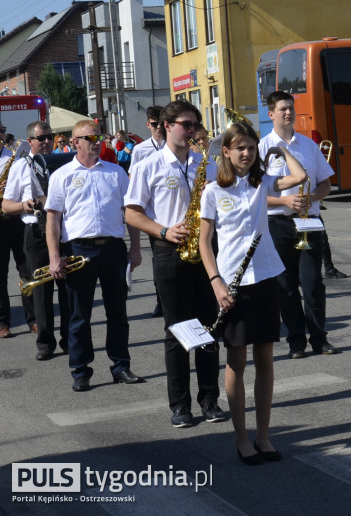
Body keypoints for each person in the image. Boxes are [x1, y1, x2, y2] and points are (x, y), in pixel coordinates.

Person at [200, 122, 307, 465]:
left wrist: (282, 151)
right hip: (231, 283)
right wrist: (216, 281)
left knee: (265, 361)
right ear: (226, 153)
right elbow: (204, 241)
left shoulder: (263, 182)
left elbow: (301, 177)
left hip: (265, 277)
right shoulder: (214, 190)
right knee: (237, 361)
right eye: (240, 148)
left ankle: (263, 435)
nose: (246, 153)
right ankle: (242, 437)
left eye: (251, 147)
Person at [125, 101, 228, 429]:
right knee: (177, 330)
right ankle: (180, 405)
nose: (192, 130)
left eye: (195, 125)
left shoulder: (206, 163)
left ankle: (209, 398)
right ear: (167, 126)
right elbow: (132, 212)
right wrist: (164, 231)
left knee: (209, 328)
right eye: (186, 124)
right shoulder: (149, 164)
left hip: (205, 250)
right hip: (170, 250)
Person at [46, 120, 144, 392]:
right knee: (79, 315)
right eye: (90, 138)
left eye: (99, 137)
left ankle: (121, 366)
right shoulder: (61, 175)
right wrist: (55, 257)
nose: (97, 141)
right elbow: (53, 220)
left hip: (113, 248)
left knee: (118, 312)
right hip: (78, 250)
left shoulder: (116, 173)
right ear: (76, 142)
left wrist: (135, 248)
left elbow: (131, 214)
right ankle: (80, 370)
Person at [259, 91, 337, 359]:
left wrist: (313, 197)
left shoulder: (308, 145)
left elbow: (326, 182)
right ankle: (295, 341)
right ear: (271, 114)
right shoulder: (262, 148)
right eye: (282, 109)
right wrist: (284, 202)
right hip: (278, 222)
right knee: (285, 284)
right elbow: (253, 194)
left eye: (291, 108)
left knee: (313, 282)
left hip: (310, 221)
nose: (288, 113)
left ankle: (319, 338)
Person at [2, 121, 66, 358]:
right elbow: (6, 204)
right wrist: (23, 205)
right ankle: (45, 342)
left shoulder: (63, 161)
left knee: (68, 289)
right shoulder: (21, 166)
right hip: (36, 231)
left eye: (50, 137)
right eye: (42, 138)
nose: (48, 142)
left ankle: (70, 340)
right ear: (30, 141)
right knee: (42, 291)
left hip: (64, 230)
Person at [132, 105, 166, 318]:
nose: (159, 128)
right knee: (159, 258)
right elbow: (133, 179)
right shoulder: (140, 150)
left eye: (162, 124)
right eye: (155, 125)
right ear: (148, 125)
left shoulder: (176, 146)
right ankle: (160, 301)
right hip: (152, 212)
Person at [0, 121, 33, 340]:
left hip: (16, 218)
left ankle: (33, 319)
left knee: (27, 270)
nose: (1, 135)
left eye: (1, 131)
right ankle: (2, 322)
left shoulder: (14, 158)